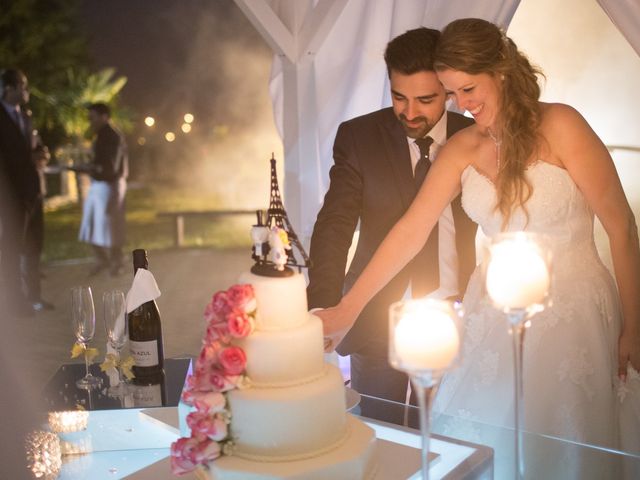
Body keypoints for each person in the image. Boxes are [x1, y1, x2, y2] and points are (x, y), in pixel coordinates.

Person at [317, 18, 640, 474]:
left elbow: (622, 227)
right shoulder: (462, 148)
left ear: (502, 71)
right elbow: (409, 233)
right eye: (452, 94)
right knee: (477, 437)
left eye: (468, 89)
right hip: (489, 314)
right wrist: (346, 309)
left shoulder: (563, 124)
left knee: (563, 441)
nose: (462, 106)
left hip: (575, 310)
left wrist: (635, 325)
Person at [307, 27, 477, 418]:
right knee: (379, 436)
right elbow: (335, 224)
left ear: (448, 90)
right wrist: (324, 306)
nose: (410, 112)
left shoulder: (475, 137)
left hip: (457, 317)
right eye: (399, 97)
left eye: (425, 99)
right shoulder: (359, 136)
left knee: (442, 438)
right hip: (374, 316)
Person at [0, 68, 52, 315]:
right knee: (12, 248)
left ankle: (35, 298)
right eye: (23, 85)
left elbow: (35, 143)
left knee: (33, 246)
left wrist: (42, 151)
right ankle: (15, 303)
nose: (27, 91)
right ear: (8, 89)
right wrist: (26, 158)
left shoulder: (27, 116)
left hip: (34, 190)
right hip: (12, 194)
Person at [79, 102, 128, 277]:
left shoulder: (112, 135)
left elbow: (110, 167)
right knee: (90, 225)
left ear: (104, 116)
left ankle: (117, 262)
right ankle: (103, 260)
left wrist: (90, 168)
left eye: (92, 117)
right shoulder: (100, 135)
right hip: (100, 184)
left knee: (112, 225)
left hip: (111, 185)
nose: (90, 121)